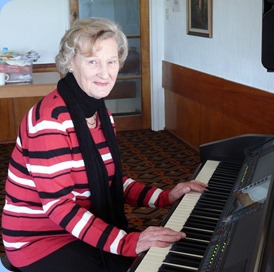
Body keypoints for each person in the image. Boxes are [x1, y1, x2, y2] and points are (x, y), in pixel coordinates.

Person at [1, 18, 207, 272]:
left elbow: (111, 180)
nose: (105, 72)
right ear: (70, 64)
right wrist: (127, 242)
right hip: (40, 240)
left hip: (79, 227)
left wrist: (166, 196)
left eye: (111, 61)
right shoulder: (50, 122)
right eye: (92, 62)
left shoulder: (101, 115)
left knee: (158, 257)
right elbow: (60, 207)